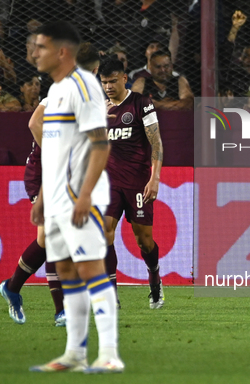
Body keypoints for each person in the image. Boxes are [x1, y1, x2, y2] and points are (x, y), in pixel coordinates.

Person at [28, 21, 123, 373]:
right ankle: (75, 353)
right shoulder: (55, 91)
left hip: (79, 197)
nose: (34, 53)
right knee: (66, 271)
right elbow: (56, 149)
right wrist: (42, 194)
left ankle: (109, 354)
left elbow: (100, 143)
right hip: (55, 197)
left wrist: (84, 195)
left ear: (62, 52)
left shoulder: (84, 88)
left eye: (41, 47)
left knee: (91, 269)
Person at [0, 41, 103, 328]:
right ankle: (59, 310)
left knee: (49, 240)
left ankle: (14, 288)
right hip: (45, 172)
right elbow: (34, 123)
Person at [99, 58, 165, 309]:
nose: (108, 87)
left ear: (124, 78)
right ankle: (110, 295)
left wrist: (154, 177)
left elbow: (156, 142)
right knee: (104, 233)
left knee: (144, 240)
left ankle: (155, 277)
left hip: (137, 183)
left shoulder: (141, 104)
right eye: (104, 82)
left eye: (113, 81)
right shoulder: (98, 109)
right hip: (108, 183)